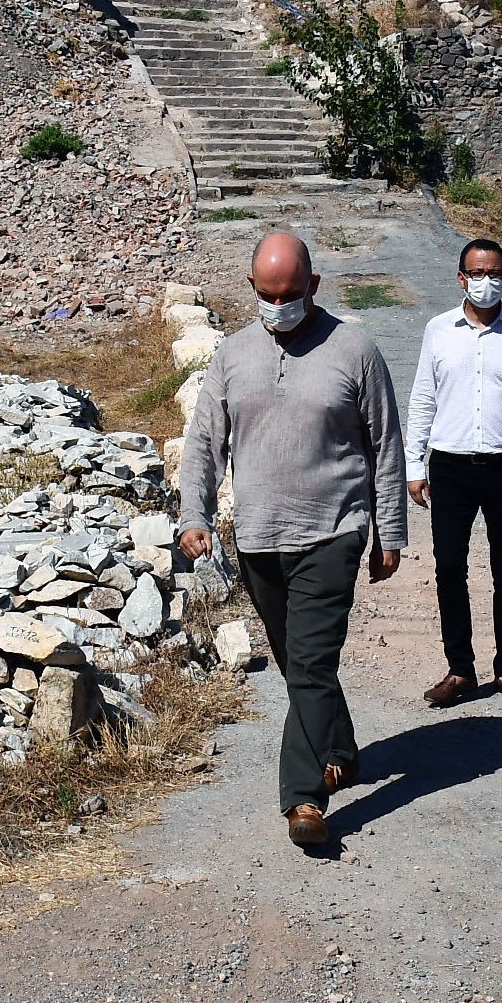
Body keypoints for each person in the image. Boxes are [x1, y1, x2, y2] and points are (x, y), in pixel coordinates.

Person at [177, 231, 407, 851]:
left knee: (308, 661)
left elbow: (385, 444)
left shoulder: (355, 350)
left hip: (333, 529)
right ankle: (339, 746)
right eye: (267, 294)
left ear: (314, 286)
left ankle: (304, 796)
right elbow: (204, 443)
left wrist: (389, 530)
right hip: (258, 536)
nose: (279, 305)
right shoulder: (232, 356)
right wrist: (193, 514)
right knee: (297, 663)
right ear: (252, 289)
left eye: (291, 293)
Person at [406, 237, 502, 708]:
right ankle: (460, 670)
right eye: (477, 273)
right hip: (449, 464)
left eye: (494, 274)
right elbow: (422, 398)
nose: (485, 282)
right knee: (449, 568)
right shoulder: (438, 330)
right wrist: (414, 465)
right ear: (461, 278)